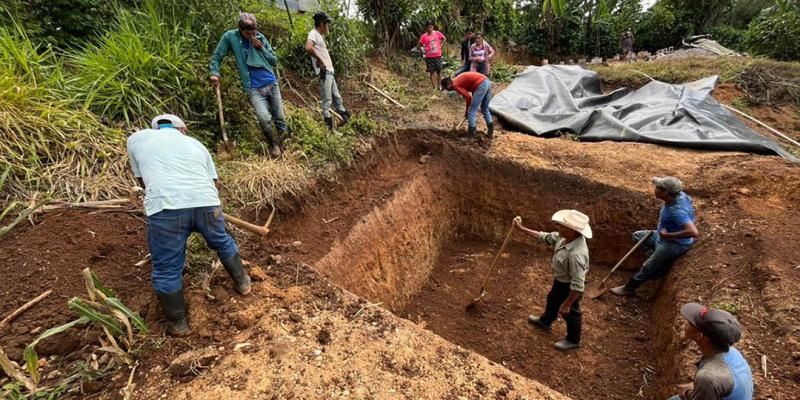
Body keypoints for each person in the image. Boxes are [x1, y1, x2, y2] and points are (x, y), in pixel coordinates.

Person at [126, 114, 251, 336]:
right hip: (207, 203)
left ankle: (178, 325)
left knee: (167, 267)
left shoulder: (137, 139)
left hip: (166, 208)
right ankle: (243, 284)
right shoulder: (196, 145)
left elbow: (142, 180)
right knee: (221, 241)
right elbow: (213, 182)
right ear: (183, 130)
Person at [210, 12, 286, 157]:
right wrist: (214, 72)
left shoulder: (260, 38)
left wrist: (261, 48)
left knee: (280, 118)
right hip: (253, 88)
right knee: (264, 119)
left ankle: (284, 143)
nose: (251, 36)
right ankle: (273, 145)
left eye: (254, 32)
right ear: (240, 30)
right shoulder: (230, 37)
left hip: (271, 83)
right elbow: (217, 56)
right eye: (248, 33)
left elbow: (274, 61)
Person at [514, 210, 592, 351]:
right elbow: (546, 237)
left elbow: (578, 285)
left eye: (563, 226)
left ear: (572, 231)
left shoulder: (576, 255)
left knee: (571, 312)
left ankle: (573, 340)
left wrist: (567, 304)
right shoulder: (564, 238)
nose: (559, 227)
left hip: (570, 287)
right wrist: (521, 229)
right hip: (561, 281)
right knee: (553, 299)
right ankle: (546, 321)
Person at [611, 177, 698, 296]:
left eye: (658, 188)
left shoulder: (676, 211)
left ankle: (629, 288)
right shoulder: (680, 195)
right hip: (662, 237)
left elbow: (693, 232)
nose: (655, 189)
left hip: (673, 244)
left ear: (665, 193)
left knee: (648, 266)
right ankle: (658, 266)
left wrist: (668, 235)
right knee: (637, 236)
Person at [668, 303, 753, 400]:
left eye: (690, 323)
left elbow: (711, 379)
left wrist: (688, 393)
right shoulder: (732, 352)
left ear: (699, 336)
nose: (685, 324)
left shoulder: (708, 376)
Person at [306, 11, 351, 131]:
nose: (328, 26)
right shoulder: (313, 34)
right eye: (327, 24)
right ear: (322, 24)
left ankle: (347, 121)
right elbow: (308, 48)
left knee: (337, 98)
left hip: (329, 72)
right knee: (327, 102)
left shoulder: (319, 36)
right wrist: (319, 59)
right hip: (325, 72)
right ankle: (330, 131)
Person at [440, 72, 494, 143]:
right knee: (484, 109)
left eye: (446, 88)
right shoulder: (457, 80)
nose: (447, 90)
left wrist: (467, 112)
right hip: (486, 81)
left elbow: (468, 98)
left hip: (481, 84)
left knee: (471, 111)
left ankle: (471, 137)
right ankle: (490, 133)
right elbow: (472, 88)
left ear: (448, 85)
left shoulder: (455, 84)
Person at [418, 21, 446, 89]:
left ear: (433, 27)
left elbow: (444, 38)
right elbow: (419, 45)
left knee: (439, 71)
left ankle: (439, 86)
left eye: (431, 27)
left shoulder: (437, 33)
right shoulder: (424, 36)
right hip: (429, 57)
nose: (429, 29)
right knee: (431, 72)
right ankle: (434, 87)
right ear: (426, 28)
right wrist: (423, 52)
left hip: (438, 55)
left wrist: (441, 46)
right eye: (428, 27)